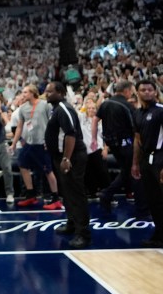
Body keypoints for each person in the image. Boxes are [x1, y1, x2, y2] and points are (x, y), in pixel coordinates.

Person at [44, 81, 91, 249]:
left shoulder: (64, 108)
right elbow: (59, 133)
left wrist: (66, 158)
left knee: (76, 194)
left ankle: (83, 233)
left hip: (72, 157)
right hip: (61, 156)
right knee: (67, 193)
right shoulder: (55, 109)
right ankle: (72, 223)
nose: (46, 93)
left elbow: (71, 133)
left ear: (60, 92)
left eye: (50, 91)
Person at [10, 85, 62, 209]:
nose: (23, 95)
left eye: (25, 92)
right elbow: (19, 127)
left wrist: (51, 140)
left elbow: (54, 123)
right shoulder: (22, 108)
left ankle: (56, 198)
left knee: (48, 171)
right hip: (29, 144)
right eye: (22, 92)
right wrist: (13, 143)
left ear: (33, 93)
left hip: (42, 144)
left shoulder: (45, 105)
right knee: (22, 164)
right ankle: (31, 194)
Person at [92, 80, 139, 211]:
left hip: (112, 144)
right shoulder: (127, 106)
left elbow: (95, 120)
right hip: (126, 144)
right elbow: (136, 128)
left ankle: (108, 194)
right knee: (130, 170)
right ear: (127, 91)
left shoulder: (105, 103)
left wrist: (94, 138)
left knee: (126, 170)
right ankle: (107, 193)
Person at [131, 79, 163, 247]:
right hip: (146, 159)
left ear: (155, 92)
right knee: (153, 200)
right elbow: (137, 140)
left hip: (160, 158)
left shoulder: (160, 111)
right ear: (137, 92)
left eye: (150, 89)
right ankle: (159, 235)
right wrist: (135, 163)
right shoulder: (137, 113)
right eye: (143, 89)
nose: (147, 92)